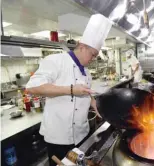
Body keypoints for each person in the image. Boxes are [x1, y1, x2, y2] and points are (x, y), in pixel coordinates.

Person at [26, 14, 112, 166]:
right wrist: (71, 89)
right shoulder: (55, 61)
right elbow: (32, 88)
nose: (93, 59)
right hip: (59, 138)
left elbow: (86, 93)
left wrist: (94, 103)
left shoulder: (87, 72)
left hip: (82, 134)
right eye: (92, 55)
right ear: (82, 46)